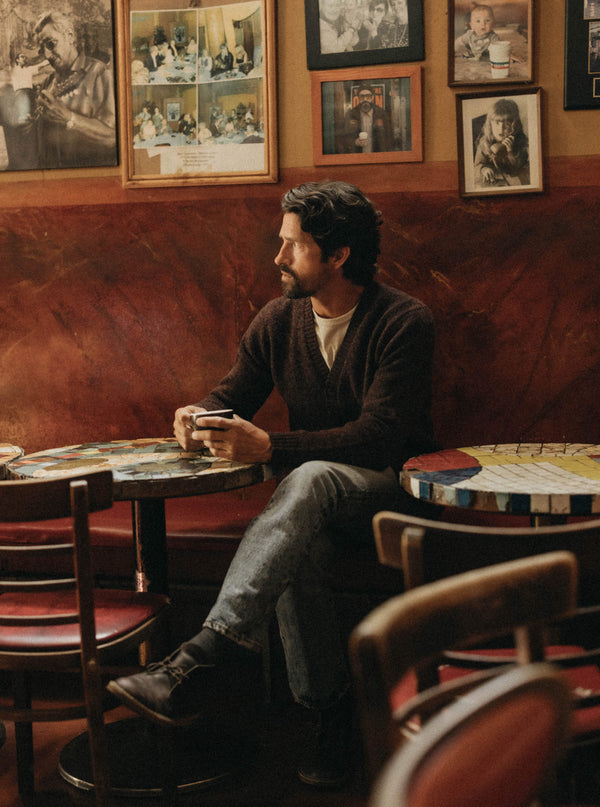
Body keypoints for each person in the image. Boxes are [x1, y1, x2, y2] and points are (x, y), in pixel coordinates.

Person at [107, 180, 438, 788]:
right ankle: (329, 717)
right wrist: (198, 412)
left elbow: (381, 438)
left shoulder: (403, 321)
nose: (278, 258)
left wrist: (273, 446)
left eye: (293, 245)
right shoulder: (279, 318)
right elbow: (236, 393)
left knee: (307, 478)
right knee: (296, 552)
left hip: (392, 495)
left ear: (338, 256)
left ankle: (210, 651)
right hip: (310, 506)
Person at [33, 11, 117, 168]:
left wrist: (69, 118)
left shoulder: (99, 74)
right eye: (42, 49)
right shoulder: (47, 83)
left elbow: (114, 137)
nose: (47, 55)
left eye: (51, 44)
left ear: (70, 36)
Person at [474, 97, 530, 186]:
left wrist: (510, 152)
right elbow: (477, 165)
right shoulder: (484, 142)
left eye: (507, 123)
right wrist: (484, 169)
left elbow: (520, 169)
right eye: (497, 122)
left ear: (514, 125)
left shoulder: (520, 141)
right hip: (493, 183)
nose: (501, 129)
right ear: (490, 123)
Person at [343, 83, 391, 153]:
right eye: (362, 97)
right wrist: (355, 142)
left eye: (368, 96)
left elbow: (389, 137)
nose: (365, 100)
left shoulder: (381, 114)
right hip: (357, 157)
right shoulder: (351, 115)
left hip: (377, 157)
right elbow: (344, 138)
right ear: (358, 98)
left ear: (372, 98)